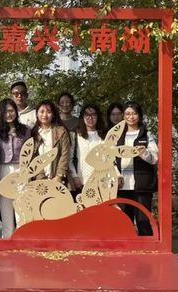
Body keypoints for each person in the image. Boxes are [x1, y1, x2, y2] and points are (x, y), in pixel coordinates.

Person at [116, 101, 159, 236]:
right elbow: (110, 159)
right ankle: (128, 248)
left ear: (139, 115)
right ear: (123, 116)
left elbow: (155, 158)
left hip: (141, 184)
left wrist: (144, 153)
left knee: (143, 221)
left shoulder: (146, 135)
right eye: (128, 114)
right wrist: (117, 175)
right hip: (122, 185)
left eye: (134, 113)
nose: (131, 117)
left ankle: (148, 247)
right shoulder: (117, 136)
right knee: (124, 222)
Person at [0, 98, 31, 238]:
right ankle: (7, 243)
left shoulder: (25, 130)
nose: (8, 114)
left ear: (16, 111)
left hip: (20, 170)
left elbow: (30, 153)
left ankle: (23, 243)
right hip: (2, 170)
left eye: (11, 111)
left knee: (22, 213)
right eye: (5, 112)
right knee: (6, 216)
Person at [68, 103, 107, 193]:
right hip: (81, 182)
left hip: (102, 182)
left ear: (98, 116)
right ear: (82, 117)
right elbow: (70, 159)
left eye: (93, 114)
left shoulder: (104, 135)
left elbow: (110, 159)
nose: (90, 118)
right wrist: (74, 176)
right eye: (87, 115)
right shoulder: (75, 135)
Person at [31, 100, 71, 185]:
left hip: (59, 180)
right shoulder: (33, 134)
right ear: (37, 114)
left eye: (49, 112)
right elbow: (33, 158)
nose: (45, 115)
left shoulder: (61, 131)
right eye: (42, 112)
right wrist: (41, 177)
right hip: (40, 183)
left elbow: (65, 154)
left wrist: (59, 176)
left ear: (53, 114)